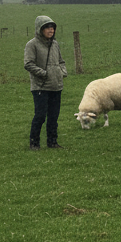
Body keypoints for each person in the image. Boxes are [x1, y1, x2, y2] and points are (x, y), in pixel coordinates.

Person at [24, 15, 68, 150]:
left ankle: (52, 142)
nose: (51, 30)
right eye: (47, 27)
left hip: (56, 86)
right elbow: (28, 64)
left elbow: (61, 61)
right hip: (40, 87)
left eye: (52, 27)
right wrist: (44, 73)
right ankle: (34, 143)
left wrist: (62, 72)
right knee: (40, 115)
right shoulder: (32, 45)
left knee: (54, 117)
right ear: (40, 29)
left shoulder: (55, 44)